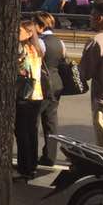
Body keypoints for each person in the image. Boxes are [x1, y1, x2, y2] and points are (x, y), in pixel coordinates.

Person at [14, 18, 45, 180]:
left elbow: (21, 70)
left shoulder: (22, 49)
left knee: (22, 132)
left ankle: (24, 167)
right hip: (37, 93)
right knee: (31, 131)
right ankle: (32, 165)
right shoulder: (37, 48)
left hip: (24, 94)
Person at [35, 12, 65, 167]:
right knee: (51, 121)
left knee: (32, 121)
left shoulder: (40, 42)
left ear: (40, 24)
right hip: (57, 84)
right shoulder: (60, 42)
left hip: (42, 85)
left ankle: (30, 158)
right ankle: (50, 157)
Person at [81, 1, 103, 146]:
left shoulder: (97, 41)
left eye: (92, 15)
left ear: (100, 18)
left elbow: (84, 73)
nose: (90, 18)